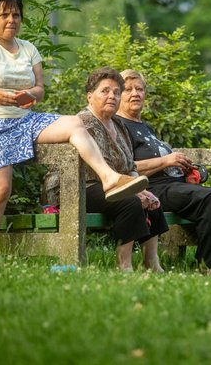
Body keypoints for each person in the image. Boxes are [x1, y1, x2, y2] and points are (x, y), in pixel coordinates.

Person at [0, 0, 148, 264]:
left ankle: (108, 177)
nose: (11, 20)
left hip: (22, 120)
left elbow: (40, 89)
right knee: (0, 189)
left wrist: (30, 95)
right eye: (4, 14)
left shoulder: (28, 49)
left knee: (75, 123)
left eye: (16, 15)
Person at [44, 67, 167, 272]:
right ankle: (124, 266)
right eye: (105, 91)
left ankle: (152, 264)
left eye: (117, 92)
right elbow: (101, 168)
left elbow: (129, 166)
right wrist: (135, 192)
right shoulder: (83, 121)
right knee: (130, 202)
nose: (112, 96)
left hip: (107, 185)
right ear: (90, 96)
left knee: (152, 200)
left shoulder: (118, 124)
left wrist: (141, 188)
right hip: (75, 187)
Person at [116, 69, 211, 273]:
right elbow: (125, 167)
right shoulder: (118, 125)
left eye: (139, 89)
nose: (135, 93)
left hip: (174, 184)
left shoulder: (145, 126)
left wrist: (184, 169)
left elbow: (164, 161)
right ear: (119, 95)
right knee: (208, 198)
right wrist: (165, 161)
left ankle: (203, 260)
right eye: (128, 89)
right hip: (151, 187)